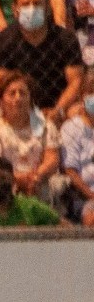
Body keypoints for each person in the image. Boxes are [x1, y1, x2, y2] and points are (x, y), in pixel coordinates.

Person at [0, 0, 83, 119]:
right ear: (15, 10)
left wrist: (57, 111)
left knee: (78, 113)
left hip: (59, 106)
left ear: (47, 7)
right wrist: (28, 116)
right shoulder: (1, 41)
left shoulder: (66, 38)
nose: (32, 8)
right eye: (25, 4)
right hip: (16, 104)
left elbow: (76, 82)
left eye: (37, 3)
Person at [0, 71, 61, 202]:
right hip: (1, 191)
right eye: (12, 93)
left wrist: (36, 176)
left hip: (37, 186)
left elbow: (52, 158)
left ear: (30, 99)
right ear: (1, 101)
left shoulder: (44, 125)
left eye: (23, 93)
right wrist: (19, 180)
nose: (18, 98)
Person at [60, 68, 94, 222]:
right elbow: (71, 171)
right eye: (91, 91)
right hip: (88, 197)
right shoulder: (72, 128)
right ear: (82, 96)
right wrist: (91, 195)